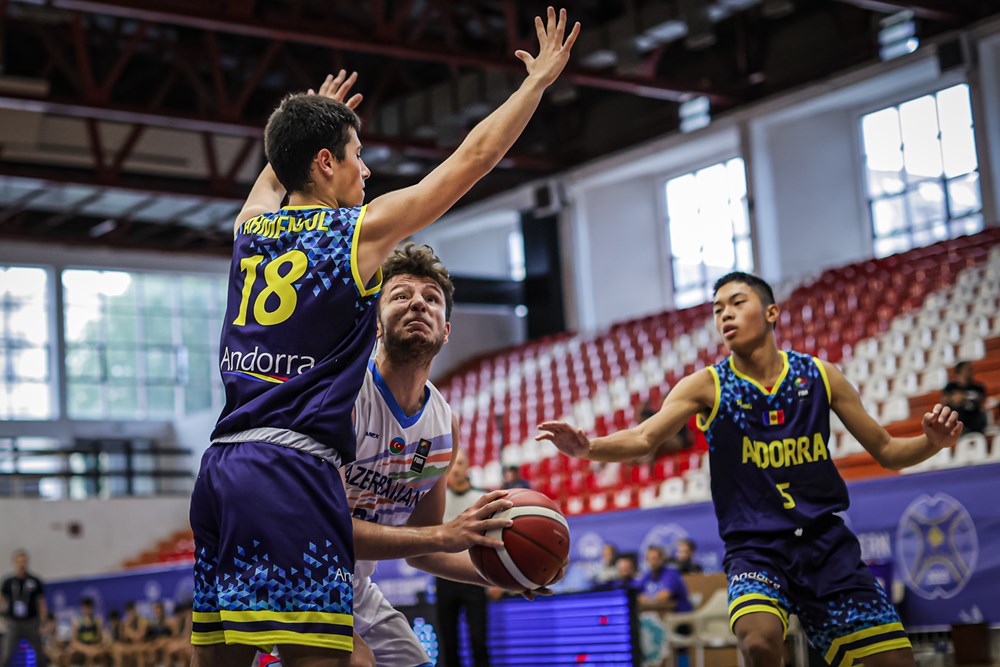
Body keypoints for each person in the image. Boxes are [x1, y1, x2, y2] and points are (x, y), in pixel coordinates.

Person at [189, 8, 579, 666]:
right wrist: (534, 84)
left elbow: (273, 179)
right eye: (356, 156)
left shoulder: (248, 230)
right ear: (325, 162)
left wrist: (303, 123)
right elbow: (472, 160)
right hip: (293, 468)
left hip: (223, 467)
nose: (365, 172)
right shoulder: (356, 236)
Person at [538, 271, 964, 667]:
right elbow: (645, 438)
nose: (725, 314)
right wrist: (588, 446)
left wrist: (932, 443)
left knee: (895, 663)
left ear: (771, 313)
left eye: (737, 303)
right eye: (718, 309)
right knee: (759, 642)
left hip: (827, 546)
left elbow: (887, 450)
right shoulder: (707, 384)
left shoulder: (820, 375)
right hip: (756, 550)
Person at [344, 243, 517, 667]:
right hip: (296, 569)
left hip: (355, 586)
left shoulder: (444, 425)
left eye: (431, 299)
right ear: (377, 324)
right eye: (401, 295)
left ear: (445, 330)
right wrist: (443, 534)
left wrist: (508, 574)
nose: (418, 302)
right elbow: (323, 528)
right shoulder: (345, 395)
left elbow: (420, 547)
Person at [0, 549, 49, 667]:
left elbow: (41, 603)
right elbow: (1, 601)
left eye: (24, 561)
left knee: (40, 655)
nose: (21, 564)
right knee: (6, 655)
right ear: (14, 563)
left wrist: (43, 623)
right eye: (19, 561)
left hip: (31, 623)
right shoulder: (8, 582)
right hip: (13, 623)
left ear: (27, 562)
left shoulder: (35, 581)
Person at [636, 546, 692, 613]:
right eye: (650, 559)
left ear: (662, 559)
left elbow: (664, 596)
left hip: (679, 615)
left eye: (655, 558)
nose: (653, 562)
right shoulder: (648, 575)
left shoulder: (671, 574)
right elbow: (636, 594)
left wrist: (647, 598)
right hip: (657, 614)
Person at [60, 597, 107, 667]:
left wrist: (96, 645)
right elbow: (73, 641)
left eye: (89, 608)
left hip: (94, 645)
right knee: (67, 654)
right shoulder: (76, 622)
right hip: (81, 646)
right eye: (85, 608)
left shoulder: (98, 621)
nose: (87, 611)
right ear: (81, 608)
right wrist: (86, 649)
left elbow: (100, 638)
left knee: (99, 653)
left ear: (92, 609)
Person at [943, 361, 987, 434]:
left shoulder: (978, 387)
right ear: (959, 372)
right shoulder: (950, 387)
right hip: (957, 421)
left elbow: (982, 399)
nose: (971, 372)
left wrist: (962, 396)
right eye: (968, 369)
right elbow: (945, 400)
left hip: (975, 419)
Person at [110, 602, 145, 667]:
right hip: (130, 645)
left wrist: (128, 629)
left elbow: (139, 637)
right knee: (118, 649)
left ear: (135, 610)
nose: (131, 613)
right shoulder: (125, 622)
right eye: (129, 612)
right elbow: (123, 638)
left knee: (139, 650)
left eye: (132, 610)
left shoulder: (142, 621)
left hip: (141, 644)